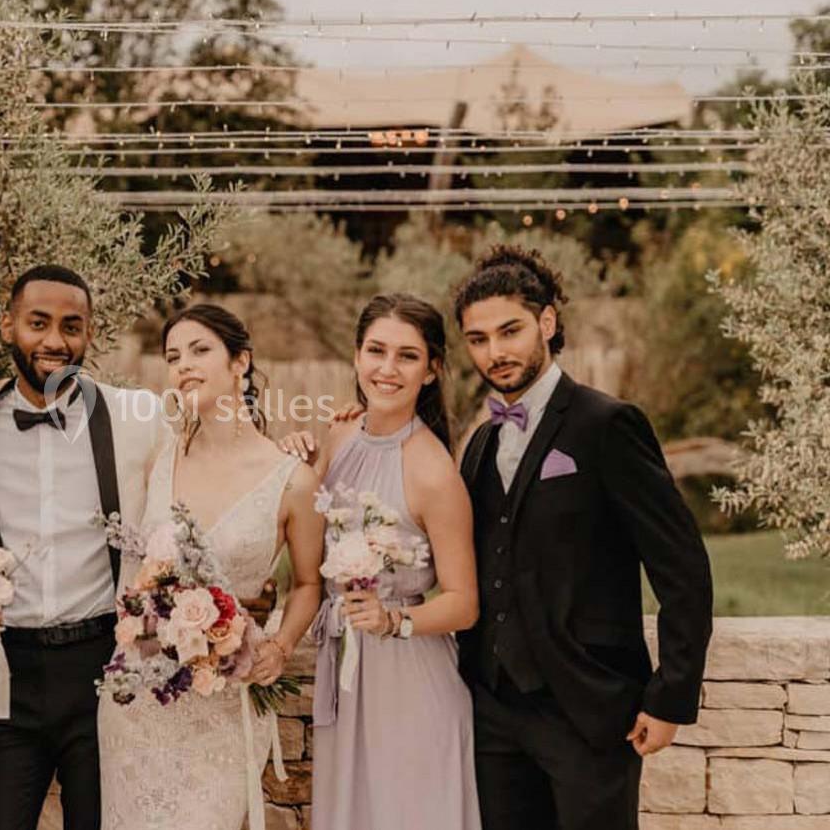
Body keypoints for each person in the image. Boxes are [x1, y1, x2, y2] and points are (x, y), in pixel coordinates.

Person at [452, 245, 713, 830]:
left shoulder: (608, 425)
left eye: (510, 331)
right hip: (493, 712)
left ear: (547, 322)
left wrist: (670, 695)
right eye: (478, 339)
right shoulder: (482, 443)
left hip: (588, 705)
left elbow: (682, 567)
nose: (495, 352)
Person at [0, 265, 169, 830]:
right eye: (38, 323)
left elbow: (204, 471)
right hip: (7, 674)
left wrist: (298, 447)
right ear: (8, 326)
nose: (55, 340)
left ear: (90, 333)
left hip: (103, 669)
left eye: (71, 326)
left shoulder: (136, 419)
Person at [96, 303, 324, 830]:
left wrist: (280, 646)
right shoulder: (159, 458)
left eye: (200, 350)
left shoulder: (292, 479)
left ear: (240, 361)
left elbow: (309, 583)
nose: (184, 366)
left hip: (224, 700)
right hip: (139, 700)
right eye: (174, 356)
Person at [280, 293, 481, 830]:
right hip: (346, 674)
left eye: (407, 356)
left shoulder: (435, 473)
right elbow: (301, 536)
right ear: (356, 356)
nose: (387, 369)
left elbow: (464, 603)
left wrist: (394, 620)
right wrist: (295, 465)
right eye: (376, 350)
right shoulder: (340, 433)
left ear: (432, 370)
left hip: (409, 682)